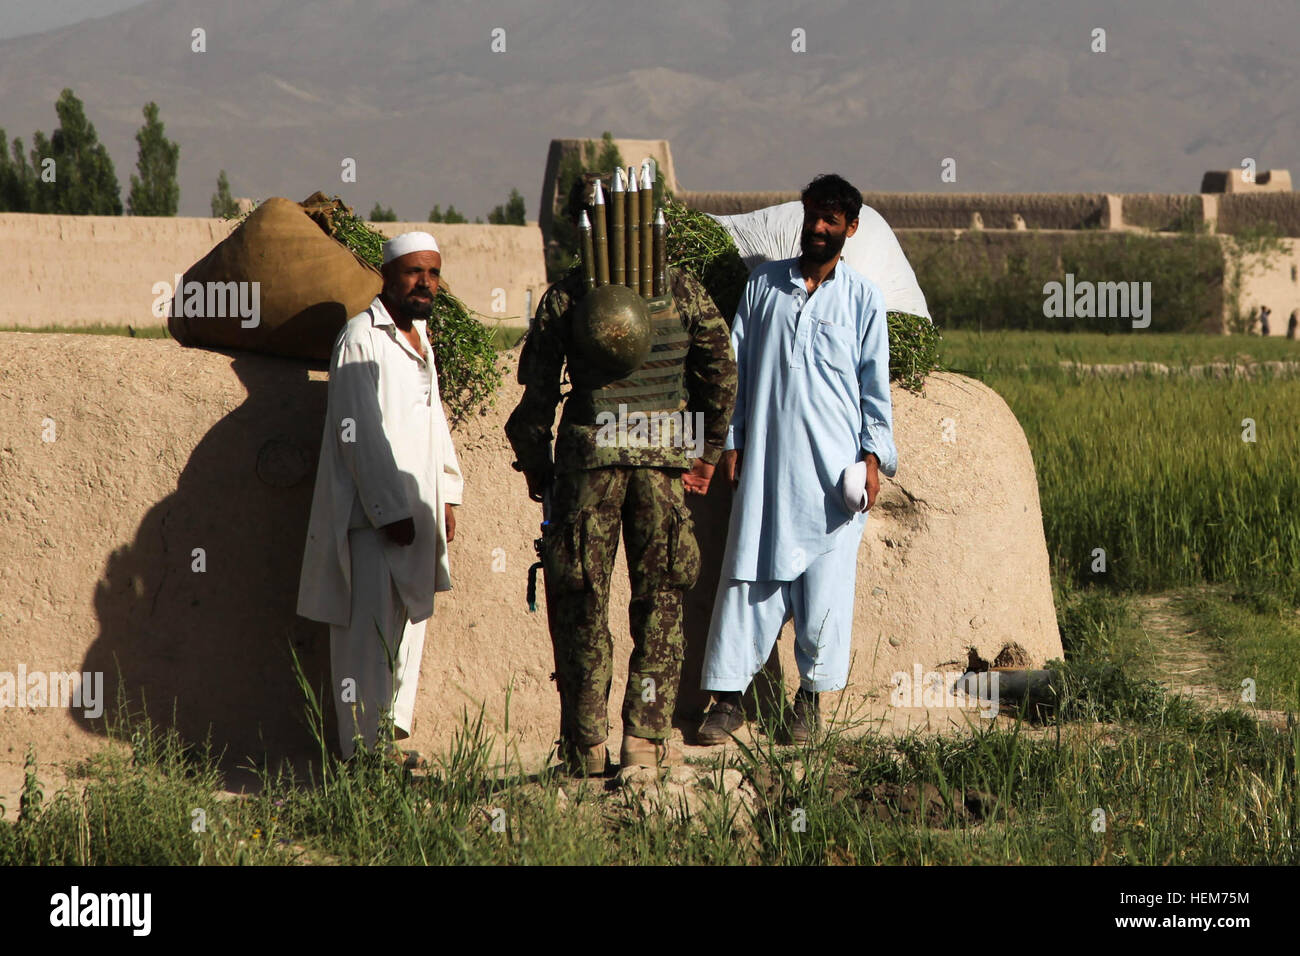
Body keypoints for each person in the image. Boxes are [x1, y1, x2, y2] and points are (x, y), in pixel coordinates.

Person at [505, 178, 736, 774]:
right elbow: (720, 368)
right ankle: (646, 742)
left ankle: (585, 747)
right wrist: (705, 451)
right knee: (660, 603)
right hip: (662, 466)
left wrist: (538, 466)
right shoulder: (681, 289)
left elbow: (535, 401)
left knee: (581, 602)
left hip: (588, 467)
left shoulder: (567, 297)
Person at [697, 173, 897, 746]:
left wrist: (874, 459)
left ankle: (808, 704)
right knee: (748, 583)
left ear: (850, 228)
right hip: (766, 469)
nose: (818, 228)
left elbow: (873, 390)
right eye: (813, 216)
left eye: (831, 220)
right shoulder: (763, 287)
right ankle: (728, 702)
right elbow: (730, 371)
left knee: (824, 594)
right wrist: (730, 441)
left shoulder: (862, 300)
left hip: (834, 482)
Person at [297, 231, 462, 762]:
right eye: (415, 272)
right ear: (387, 275)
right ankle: (359, 756)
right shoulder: (360, 338)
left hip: (418, 515)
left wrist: (448, 493)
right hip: (373, 519)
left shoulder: (420, 338)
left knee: (408, 627)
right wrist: (388, 509)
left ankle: (385, 743)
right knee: (365, 638)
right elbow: (357, 431)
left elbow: (434, 422)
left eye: (433, 273)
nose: (425, 283)